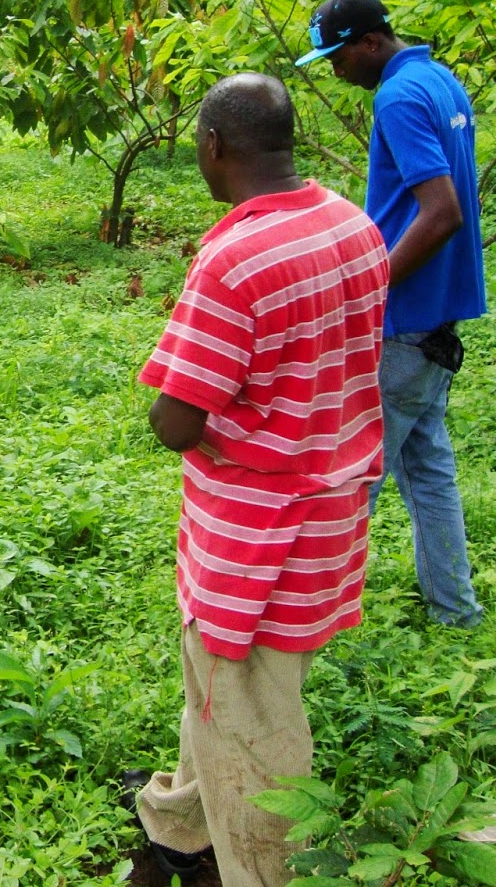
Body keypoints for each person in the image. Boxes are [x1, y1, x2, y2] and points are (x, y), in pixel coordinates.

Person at [129, 75, 389, 886]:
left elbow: (177, 422)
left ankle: (261, 871)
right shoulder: (351, 224)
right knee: (230, 695)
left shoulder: (235, 261)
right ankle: (177, 831)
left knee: (256, 730)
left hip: (256, 542)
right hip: (328, 522)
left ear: (212, 147)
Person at [297, 0, 486, 628]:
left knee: (355, 478)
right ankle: (455, 611)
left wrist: (370, 284)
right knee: (428, 467)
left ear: (369, 43)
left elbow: (442, 213)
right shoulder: (439, 80)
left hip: (404, 322)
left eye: (337, 55)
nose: (334, 69)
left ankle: (306, 619)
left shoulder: (398, 96)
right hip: (436, 317)